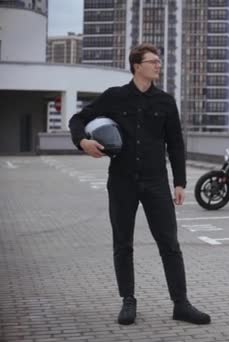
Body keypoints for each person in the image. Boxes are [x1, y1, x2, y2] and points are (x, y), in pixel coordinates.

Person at [69, 43, 210, 326]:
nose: (159, 65)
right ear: (137, 66)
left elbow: (176, 145)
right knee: (123, 244)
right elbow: (78, 119)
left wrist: (180, 182)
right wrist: (83, 141)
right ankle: (128, 302)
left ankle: (181, 304)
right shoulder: (114, 97)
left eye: (159, 61)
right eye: (153, 61)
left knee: (169, 243)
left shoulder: (166, 102)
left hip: (156, 183)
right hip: (121, 182)